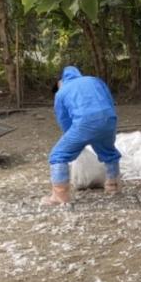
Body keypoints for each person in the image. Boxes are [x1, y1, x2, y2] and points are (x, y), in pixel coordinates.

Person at [44, 66, 121, 206]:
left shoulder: (61, 93)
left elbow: (64, 120)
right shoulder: (95, 80)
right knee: (109, 152)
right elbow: (109, 101)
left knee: (58, 155)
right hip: (109, 119)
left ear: (61, 80)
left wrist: (74, 141)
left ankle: (60, 196)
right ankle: (113, 186)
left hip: (84, 123)